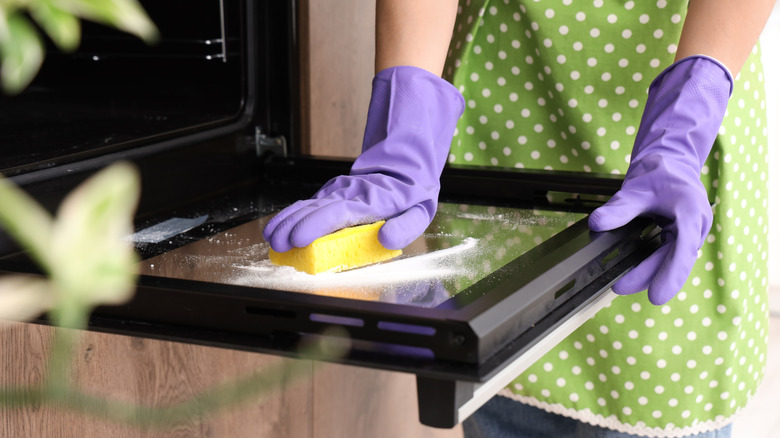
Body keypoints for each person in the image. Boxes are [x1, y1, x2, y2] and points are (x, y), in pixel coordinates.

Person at [264, 0, 776, 436]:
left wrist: (684, 124)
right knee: (499, 358)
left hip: (685, 90)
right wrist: (402, 135)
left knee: (653, 382)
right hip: (504, 103)